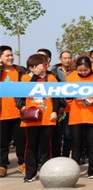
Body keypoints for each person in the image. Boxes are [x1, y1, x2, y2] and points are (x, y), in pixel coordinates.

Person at [17, 54, 61, 182]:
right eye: (42, 65)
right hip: (31, 118)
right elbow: (26, 92)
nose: (45, 67)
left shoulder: (51, 78)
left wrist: (55, 111)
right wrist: (35, 75)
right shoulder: (25, 78)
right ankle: (30, 173)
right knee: (31, 145)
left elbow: (56, 96)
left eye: (46, 64)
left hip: (47, 117)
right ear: (32, 67)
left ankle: (46, 171)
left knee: (46, 146)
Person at [66, 56, 93, 179]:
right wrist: (73, 95)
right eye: (80, 70)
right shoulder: (71, 77)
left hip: (92, 114)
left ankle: (92, 168)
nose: (83, 72)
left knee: (92, 142)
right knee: (76, 143)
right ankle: (74, 168)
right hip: (76, 114)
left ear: (90, 68)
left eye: (85, 70)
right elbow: (66, 94)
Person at [0, 45, 27, 177]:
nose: (11, 57)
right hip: (2, 113)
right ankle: (2, 165)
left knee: (21, 140)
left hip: (18, 112)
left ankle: (22, 163)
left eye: (11, 55)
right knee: (2, 142)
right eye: (7, 55)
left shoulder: (20, 70)